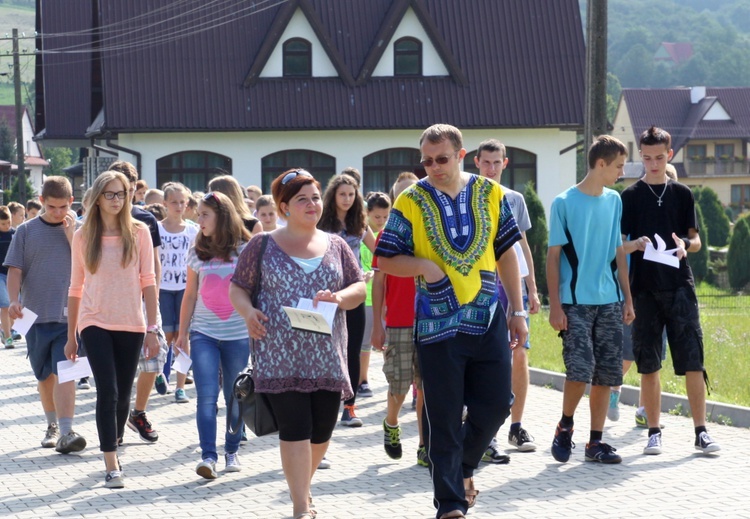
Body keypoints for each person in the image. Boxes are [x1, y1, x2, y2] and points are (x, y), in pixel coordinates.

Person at [375, 124, 527, 519]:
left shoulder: (491, 193)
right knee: (441, 415)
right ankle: (450, 504)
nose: (433, 167)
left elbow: (507, 251)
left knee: (496, 405)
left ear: (461, 155)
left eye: (441, 159)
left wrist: (518, 310)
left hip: (488, 317)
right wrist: (425, 266)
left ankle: (461, 468)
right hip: (436, 324)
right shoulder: (410, 200)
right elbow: (386, 257)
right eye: (426, 160)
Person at [229, 169, 365, 519]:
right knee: (295, 430)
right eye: (302, 199)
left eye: (316, 197)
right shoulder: (262, 245)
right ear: (284, 207)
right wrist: (248, 313)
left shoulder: (336, 245)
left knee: (322, 430)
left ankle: (302, 488)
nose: (312, 204)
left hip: (326, 357)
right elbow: (238, 287)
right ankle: (300, 506)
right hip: (277, 354)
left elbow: (359, 288)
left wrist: (337, 297)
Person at [621, 126, 720, 456]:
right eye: (646, 158)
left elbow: (697, 241)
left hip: (680, 287)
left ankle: (701, 432)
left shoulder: (682, 194)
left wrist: (685, 245)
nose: (653, 164)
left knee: (693, 361)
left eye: (659, 158)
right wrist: (634, 244)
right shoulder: (630, 197)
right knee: (648, 364)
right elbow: (619, 246)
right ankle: (653, 431)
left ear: (670, 155)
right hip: (644, 290)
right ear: (640, 155)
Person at [64, 170, 159, 489]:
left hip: (131, 322)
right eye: (111, 194)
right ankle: (111, 463)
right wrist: (71, 335)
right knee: (108, 390)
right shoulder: (82, 235)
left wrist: (152, 328)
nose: (117, 200)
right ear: (98, 197)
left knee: (122, 395)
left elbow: (149, 281)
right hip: (94, 321)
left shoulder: (140, 231)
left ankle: (114, 440)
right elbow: (75, 286)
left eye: (122, 194)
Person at [547, 135, 634, 465]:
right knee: (580, 371)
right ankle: (565, 425)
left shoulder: (614, 201)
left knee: (608, 375)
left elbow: (618, 253)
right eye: (618, 166)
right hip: (575, 302)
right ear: (601, 164)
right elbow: (553, 257)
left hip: (609, 301)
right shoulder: (563, 203)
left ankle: (595, 443)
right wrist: (555, 305)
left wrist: (627, 298)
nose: (620, 173)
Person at [5, 176, 87, 454]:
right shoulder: (26, 231)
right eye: (52, 207)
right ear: (41, 202)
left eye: (63, 206)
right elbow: (15, 270)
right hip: (35, 317)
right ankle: (52, 425)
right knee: (44, 376)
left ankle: (67, 431)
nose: (58, 212)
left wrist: (71, 237)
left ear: (71, 202)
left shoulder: (80, 230)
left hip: (70, 318)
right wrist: (14, 300)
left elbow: (91, 266)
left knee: (66, 372)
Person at [175, 191, 251, 479]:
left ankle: (232, 450)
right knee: (206, 397)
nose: (199, 219)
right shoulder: (196, 252)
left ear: (222, 216)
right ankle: (208, 456)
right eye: (199, 214)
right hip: (203, 334)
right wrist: (182, 333)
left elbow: (253, 293)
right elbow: (190, 294)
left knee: (235, 397)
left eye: (204, 214)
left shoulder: (244, 250)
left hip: (237, 336)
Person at [474, 139, 541, 459]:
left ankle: (517, 426)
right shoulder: (468, 197)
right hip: (481, 287)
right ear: (476, 163)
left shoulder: (514, 200)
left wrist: (532, 288)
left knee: (520, 355)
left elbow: (522, 246)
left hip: (513, 287)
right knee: (486, 360)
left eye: (496, 162)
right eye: (485, 162)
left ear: (505, 163)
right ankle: (485, 432)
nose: (491, 167)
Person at [370, 173, 428, 466]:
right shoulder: (387, 235)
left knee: (427, 385)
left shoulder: (430, 231)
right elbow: (378, 283)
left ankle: (424, 445)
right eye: (403, 196)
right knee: (400, 384)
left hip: (430, 320)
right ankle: (391, 423)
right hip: (399, 321)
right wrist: (377, 326)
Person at [108, 160, 166, 445]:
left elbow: (155, 263)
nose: (124, 198)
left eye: (129, 191)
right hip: (112, 303)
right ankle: (117, 419)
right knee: (118, 370)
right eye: (118, 191)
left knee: (154, 361)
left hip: (144, 299)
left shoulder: (146, 220)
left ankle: (138, 412)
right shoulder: (99, 218)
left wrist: (153, 296)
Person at [318, 174, 376, 427]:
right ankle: (323, 405)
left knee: (352, 351)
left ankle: (350, 407)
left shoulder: (360, 224)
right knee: (327, 350)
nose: (347, 199)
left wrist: (370, 272)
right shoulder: (321, 224)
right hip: (326, 296)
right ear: (333, 196)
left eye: (351, 195)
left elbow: (380, 253)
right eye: (342, 194)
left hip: (353, 294)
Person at [158, 182, 198, 404]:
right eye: (174, 202)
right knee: (167, 336)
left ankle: (180, 386)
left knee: (184, 337)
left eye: (183, 202)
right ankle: (162, 375)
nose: (179, 206)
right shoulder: (157, 228)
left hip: (185, 289)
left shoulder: (192, 230)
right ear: (165, 203)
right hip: (163, 289)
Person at [357, 191, 391, 398]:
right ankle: (362, 380)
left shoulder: (388, 235)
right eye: (377, 217)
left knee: (389, 342)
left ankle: (391, 380)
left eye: (386, 217)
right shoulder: (362, 238)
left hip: (387, 297)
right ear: (367, 214)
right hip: (366, 297)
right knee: (365, 343)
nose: (381, 221)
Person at [0, 206, 16, 348]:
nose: (6, 226)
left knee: (15, 307)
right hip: (0, 276)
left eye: (8, 222)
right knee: (4, 306)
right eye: (3, 223)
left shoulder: (15, 234)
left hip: (13, 274)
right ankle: (8, 338)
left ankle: (6, 329)